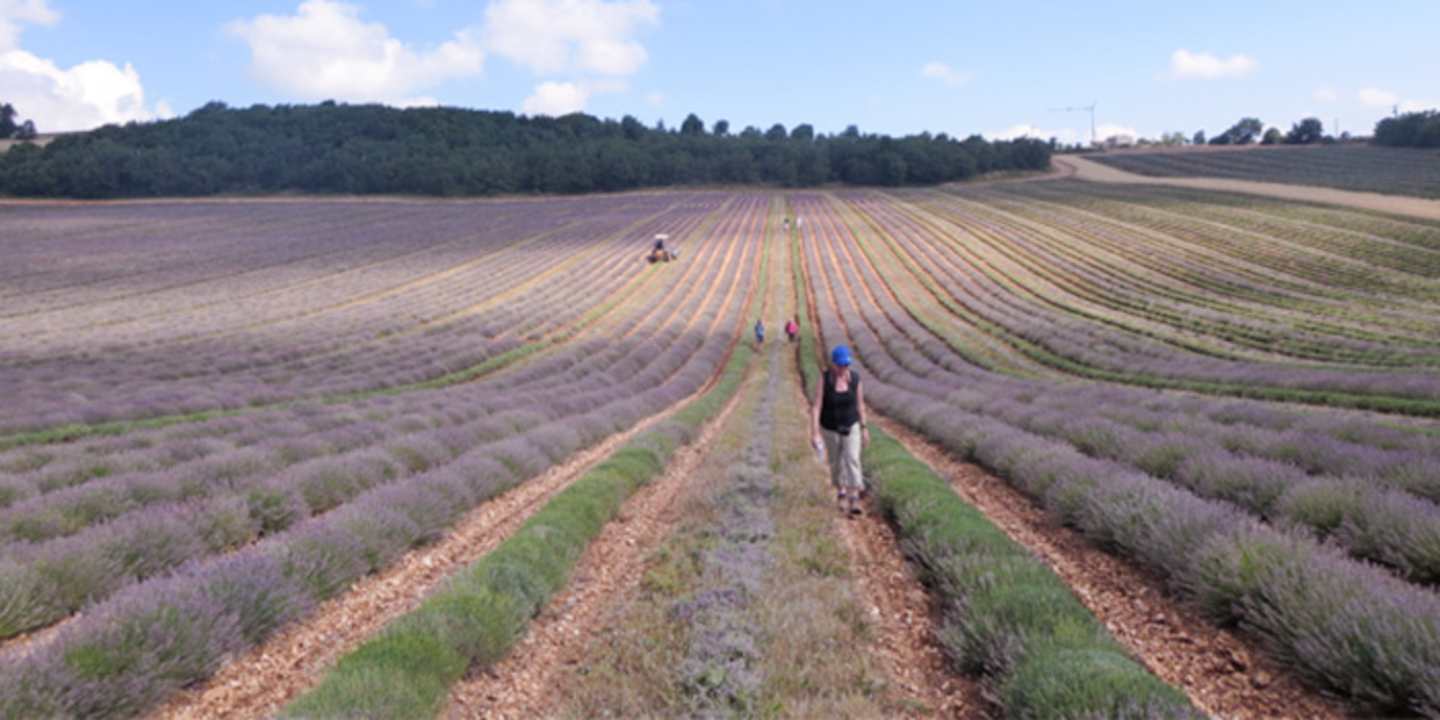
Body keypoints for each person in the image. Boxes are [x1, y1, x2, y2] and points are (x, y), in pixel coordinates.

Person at [812, 345, 868, 515]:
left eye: (846, 365)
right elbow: (816, 406)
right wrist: (814, 432)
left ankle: (854, 497)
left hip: (852, 426)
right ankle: (841, 492)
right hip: (830, 428)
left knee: (852, 458)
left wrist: (864, 428)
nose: (844, 368)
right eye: (840, 365)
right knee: (836, 463)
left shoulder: (856, 379)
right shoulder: (825, 379)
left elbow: (860, 405)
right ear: (833, 364)